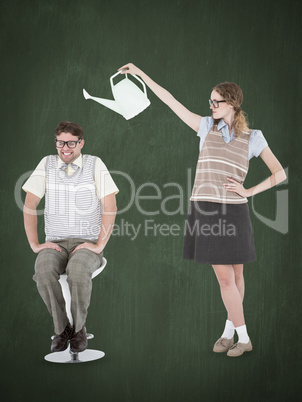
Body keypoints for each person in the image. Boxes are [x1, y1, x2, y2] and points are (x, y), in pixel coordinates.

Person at [118, 63, 286, 357]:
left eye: (216, 102)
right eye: (210, 101)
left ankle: (234, 334)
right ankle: (240, 335)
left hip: (236, 211)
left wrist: (249, 191)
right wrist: (141, 74)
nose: (210, 106)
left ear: (232, 104)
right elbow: (170, 100)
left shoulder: (254, 137)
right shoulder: (206, 127)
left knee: (235, 275)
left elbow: (279, 174)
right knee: (224, 277)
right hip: (206, 210)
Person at [23, 121, 118, 353]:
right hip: (54, 243)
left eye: (71, 143)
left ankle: (79, 330)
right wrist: (35, 244)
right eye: (60, 142)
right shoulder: (46, 164)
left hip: (85, 243)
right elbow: (30, 204)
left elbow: (110, 206)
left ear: (81, 143)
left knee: (77, 271)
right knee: (43, 271)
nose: (65, 148)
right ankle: (62, 329)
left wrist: (99, 244)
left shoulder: (95, 164)